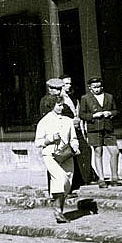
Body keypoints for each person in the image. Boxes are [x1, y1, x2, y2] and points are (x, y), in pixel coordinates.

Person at [35, 95, 81, 223]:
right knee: (59, 179)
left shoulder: (68, 120)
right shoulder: (44, 121)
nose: (62, 107)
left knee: (67, 183)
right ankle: (58, 212)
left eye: (62, 105)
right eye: (59, 105)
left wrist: (75, 147)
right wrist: (50, 138)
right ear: (52, 105)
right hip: (50, 155)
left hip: (66, 155)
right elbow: (38, 142)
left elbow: (73, 138)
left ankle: (58, 207)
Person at [79, 77, 122, 187]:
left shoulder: (109, 97)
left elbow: (116, 110)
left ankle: (115, 178)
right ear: (90, 88)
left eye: (99, 86)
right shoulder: (85, 98)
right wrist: (93, 116)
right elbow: (82, 115)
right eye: (94, 87)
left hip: (108, 129)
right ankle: (101, 179)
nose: (97, 89)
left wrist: (110, 113)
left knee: (115, 151)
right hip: (94, 129)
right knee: (98, 152)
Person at [62, 75, 95, 188]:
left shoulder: (73, 97)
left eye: (69, 83)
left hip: (77, 129)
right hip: (67, 129)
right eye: (66, 84)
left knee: (85, 150)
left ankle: (86, 177)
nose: (68, 86)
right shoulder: (60, 99)